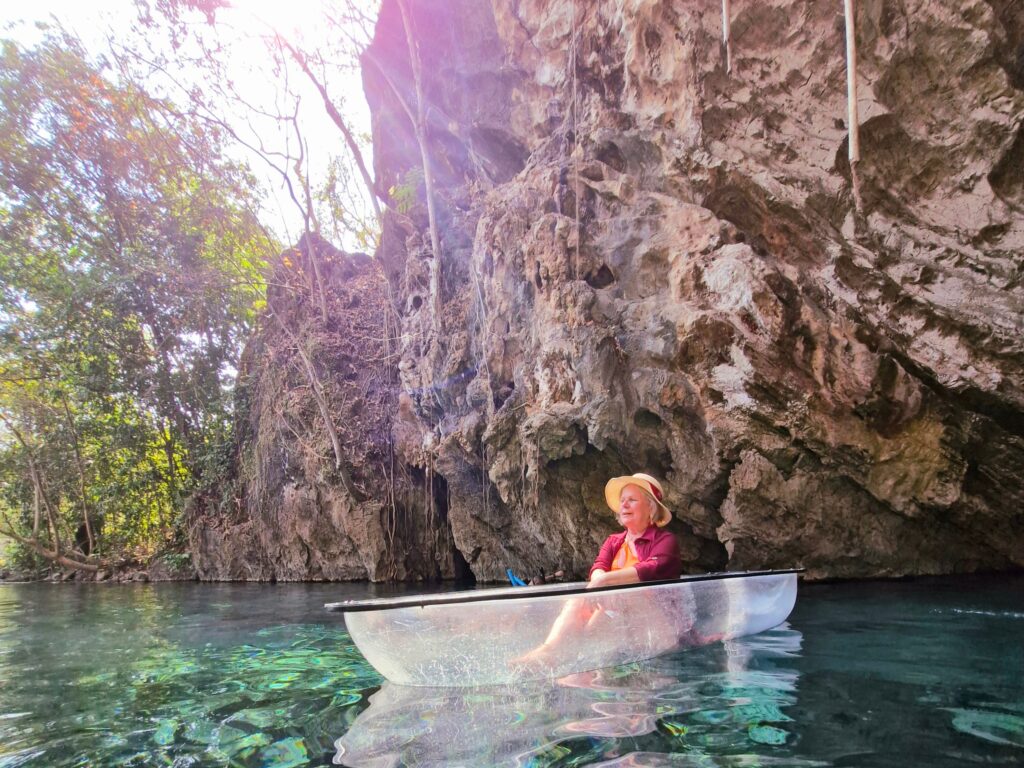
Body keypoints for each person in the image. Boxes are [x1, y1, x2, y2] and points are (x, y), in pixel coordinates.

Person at [513, 472, 682, 667]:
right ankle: (549, 651)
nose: (624, 505)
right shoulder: (614, 541)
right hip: (618, 619)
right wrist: (599, 581)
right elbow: (599, 566)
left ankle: (582, 655)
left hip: (657, 629)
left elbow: (651, 568)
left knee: (622, 597)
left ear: (650, 508)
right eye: (622, 500)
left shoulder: (665, 541)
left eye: (632, 500)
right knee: (577, 601)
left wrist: (605, 582)